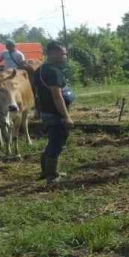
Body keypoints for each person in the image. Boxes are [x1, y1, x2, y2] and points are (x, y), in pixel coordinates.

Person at [34, 41, 74, 184]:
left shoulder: (39, 71)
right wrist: (66, 116)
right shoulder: (53, 72)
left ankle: (45, 171)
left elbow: (37, 94)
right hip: (55, 114)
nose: (65, 56)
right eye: (64, 53)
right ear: (54, 54)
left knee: (52, 141)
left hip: (46, 112)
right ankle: (52, 176)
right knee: (57, 142)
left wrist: (38, 112)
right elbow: (57, 96)